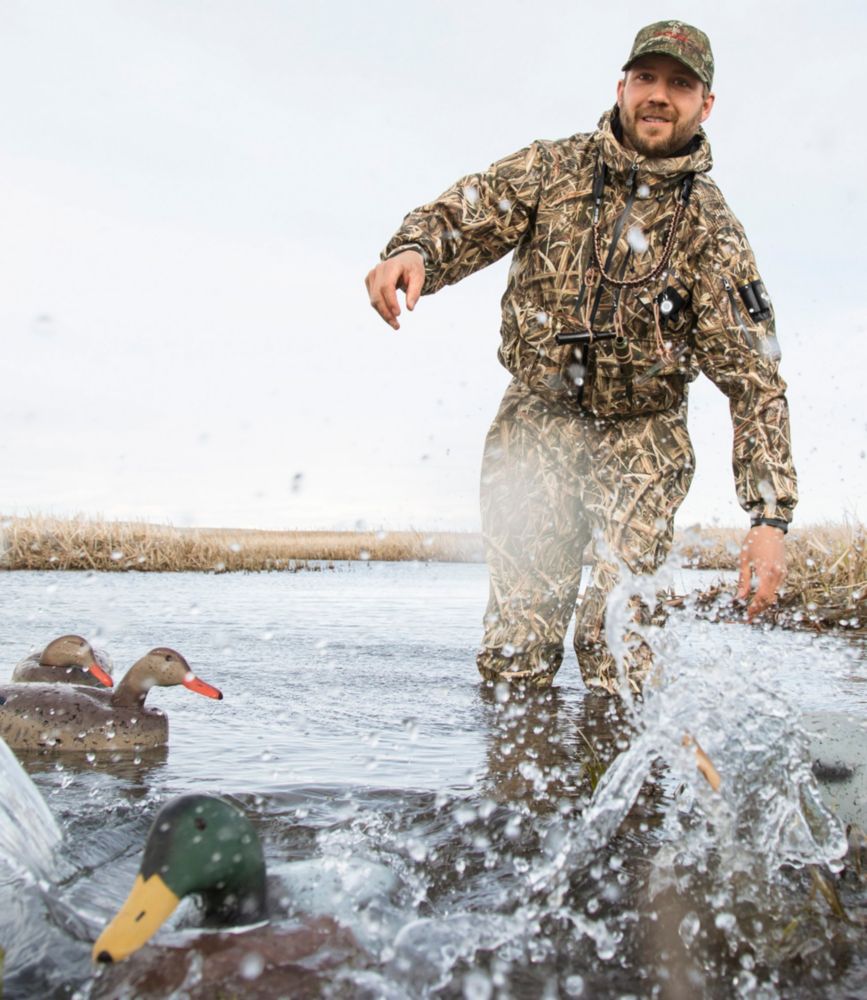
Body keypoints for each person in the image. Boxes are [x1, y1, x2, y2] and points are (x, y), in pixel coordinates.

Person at [365, 21, 795, 694]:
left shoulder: (712, 227)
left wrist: (767, 521)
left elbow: (755, 380)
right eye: (646, 78)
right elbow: (466, 213)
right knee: (517, 643)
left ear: (704, 104)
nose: (659, 95)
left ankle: (622, 787)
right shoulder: (551, 168)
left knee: (621, 645)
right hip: (534, 425)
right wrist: (414, 250)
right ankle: (516, 789)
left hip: (643, 437)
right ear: (621, 86)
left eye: (679, 84)